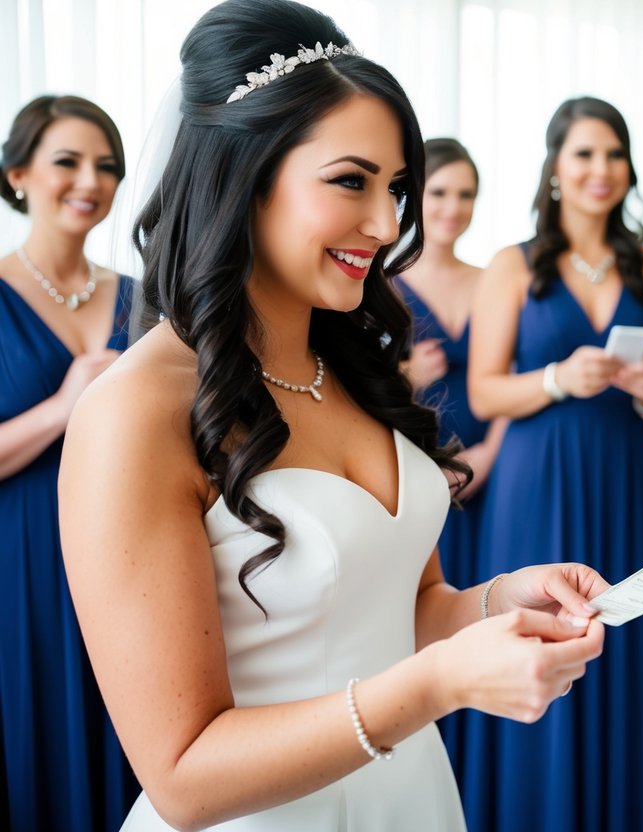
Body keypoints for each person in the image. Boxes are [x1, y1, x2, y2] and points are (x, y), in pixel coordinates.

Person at [58, 3, 609, 830]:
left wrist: (496, 601)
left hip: (411, 800)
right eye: (350, 181)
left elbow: (400, 611)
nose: (387, 226)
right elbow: (181, 774)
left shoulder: (351, 366)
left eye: (396, 188)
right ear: (245, 177)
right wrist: (437, 686)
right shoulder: (134, 411)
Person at [466, 96, 643, 832]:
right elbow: (483, 388)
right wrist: (557, 379)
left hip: (622, 474)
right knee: (536, 635)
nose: (600, 169)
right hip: (537, 476)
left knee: (615, 641)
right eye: (584, 153)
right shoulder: (512, 264)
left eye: (613, 154)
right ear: (555, 167)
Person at [0, 94, 139, 832]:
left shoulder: (144, 302)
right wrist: (63, 406)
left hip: (131, 556)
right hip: (20, 563)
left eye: (108, 165)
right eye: (68, 161)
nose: (91, 179)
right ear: (18, 173)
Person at [391, 136, 504, 786]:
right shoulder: (379, 284)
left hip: (497, 466)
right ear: (414, 197)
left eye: (465, 194)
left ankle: (489, 777)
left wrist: (489, 453)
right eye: (439, 192)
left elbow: (517, 376)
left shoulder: (493, 280)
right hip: (421, 468)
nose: (452, 207)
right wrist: (404, 375)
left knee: (490, 607)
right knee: (432, 616)